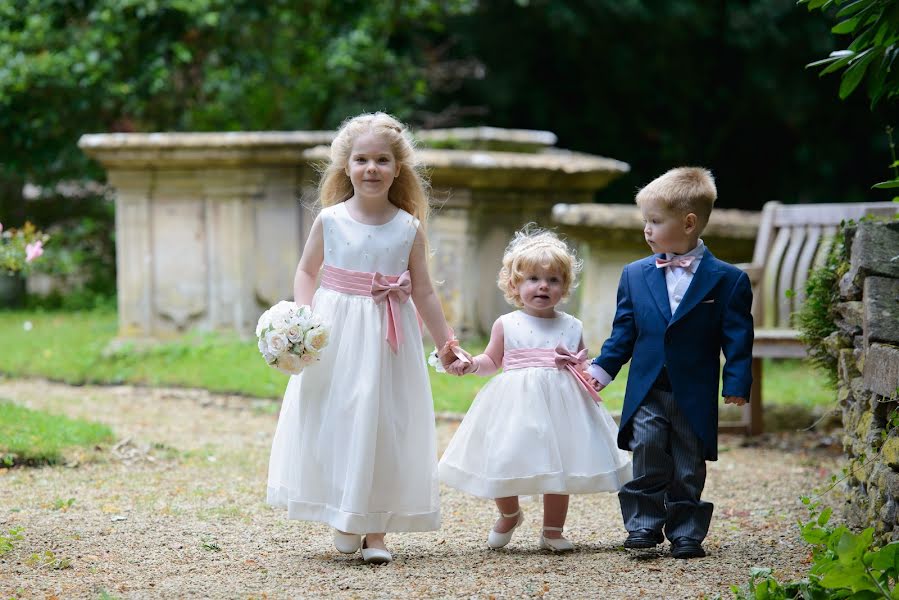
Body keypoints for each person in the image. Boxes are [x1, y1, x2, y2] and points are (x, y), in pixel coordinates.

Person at [266, 112, 459, 564]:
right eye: (361, 159)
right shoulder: (330, 221)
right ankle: (344, 513)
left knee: (383, 422)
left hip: (389, 337)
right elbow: (306, 271)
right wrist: (303, 322)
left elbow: (425, 290)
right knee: (342, 417)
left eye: (382, 160)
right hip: (337, 334)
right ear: (346, 166)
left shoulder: (408, 227)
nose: (371, 168)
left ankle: (376, 530)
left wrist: (445, 342)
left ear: (397, 168)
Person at [586, 167, 753, 559]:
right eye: (645, 220)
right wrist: (600, 371)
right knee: (646, 452)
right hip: (648, 388)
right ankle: (642, 526)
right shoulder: (634, 275)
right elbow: (623, 332)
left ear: (689, 222)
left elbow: (738, 338)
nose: (646, 229)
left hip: (693, 391)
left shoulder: (727, 281)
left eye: (655, 221)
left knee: (688, 464)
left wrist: (736, 384)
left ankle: (686, 532)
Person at [438, 226, 632, 552]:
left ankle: (553, 530)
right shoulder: (507, 323)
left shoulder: (572, 325)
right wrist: (472, 364)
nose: (543, 286)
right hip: (515, 404)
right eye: (533, 279)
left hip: (561, 405)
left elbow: (582, 365)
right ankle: (510, 513)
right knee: (503, 457)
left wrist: (590, 378)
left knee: (560, 465)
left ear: (564, 286)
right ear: (515, 285)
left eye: (553, 280)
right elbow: (492, 360)